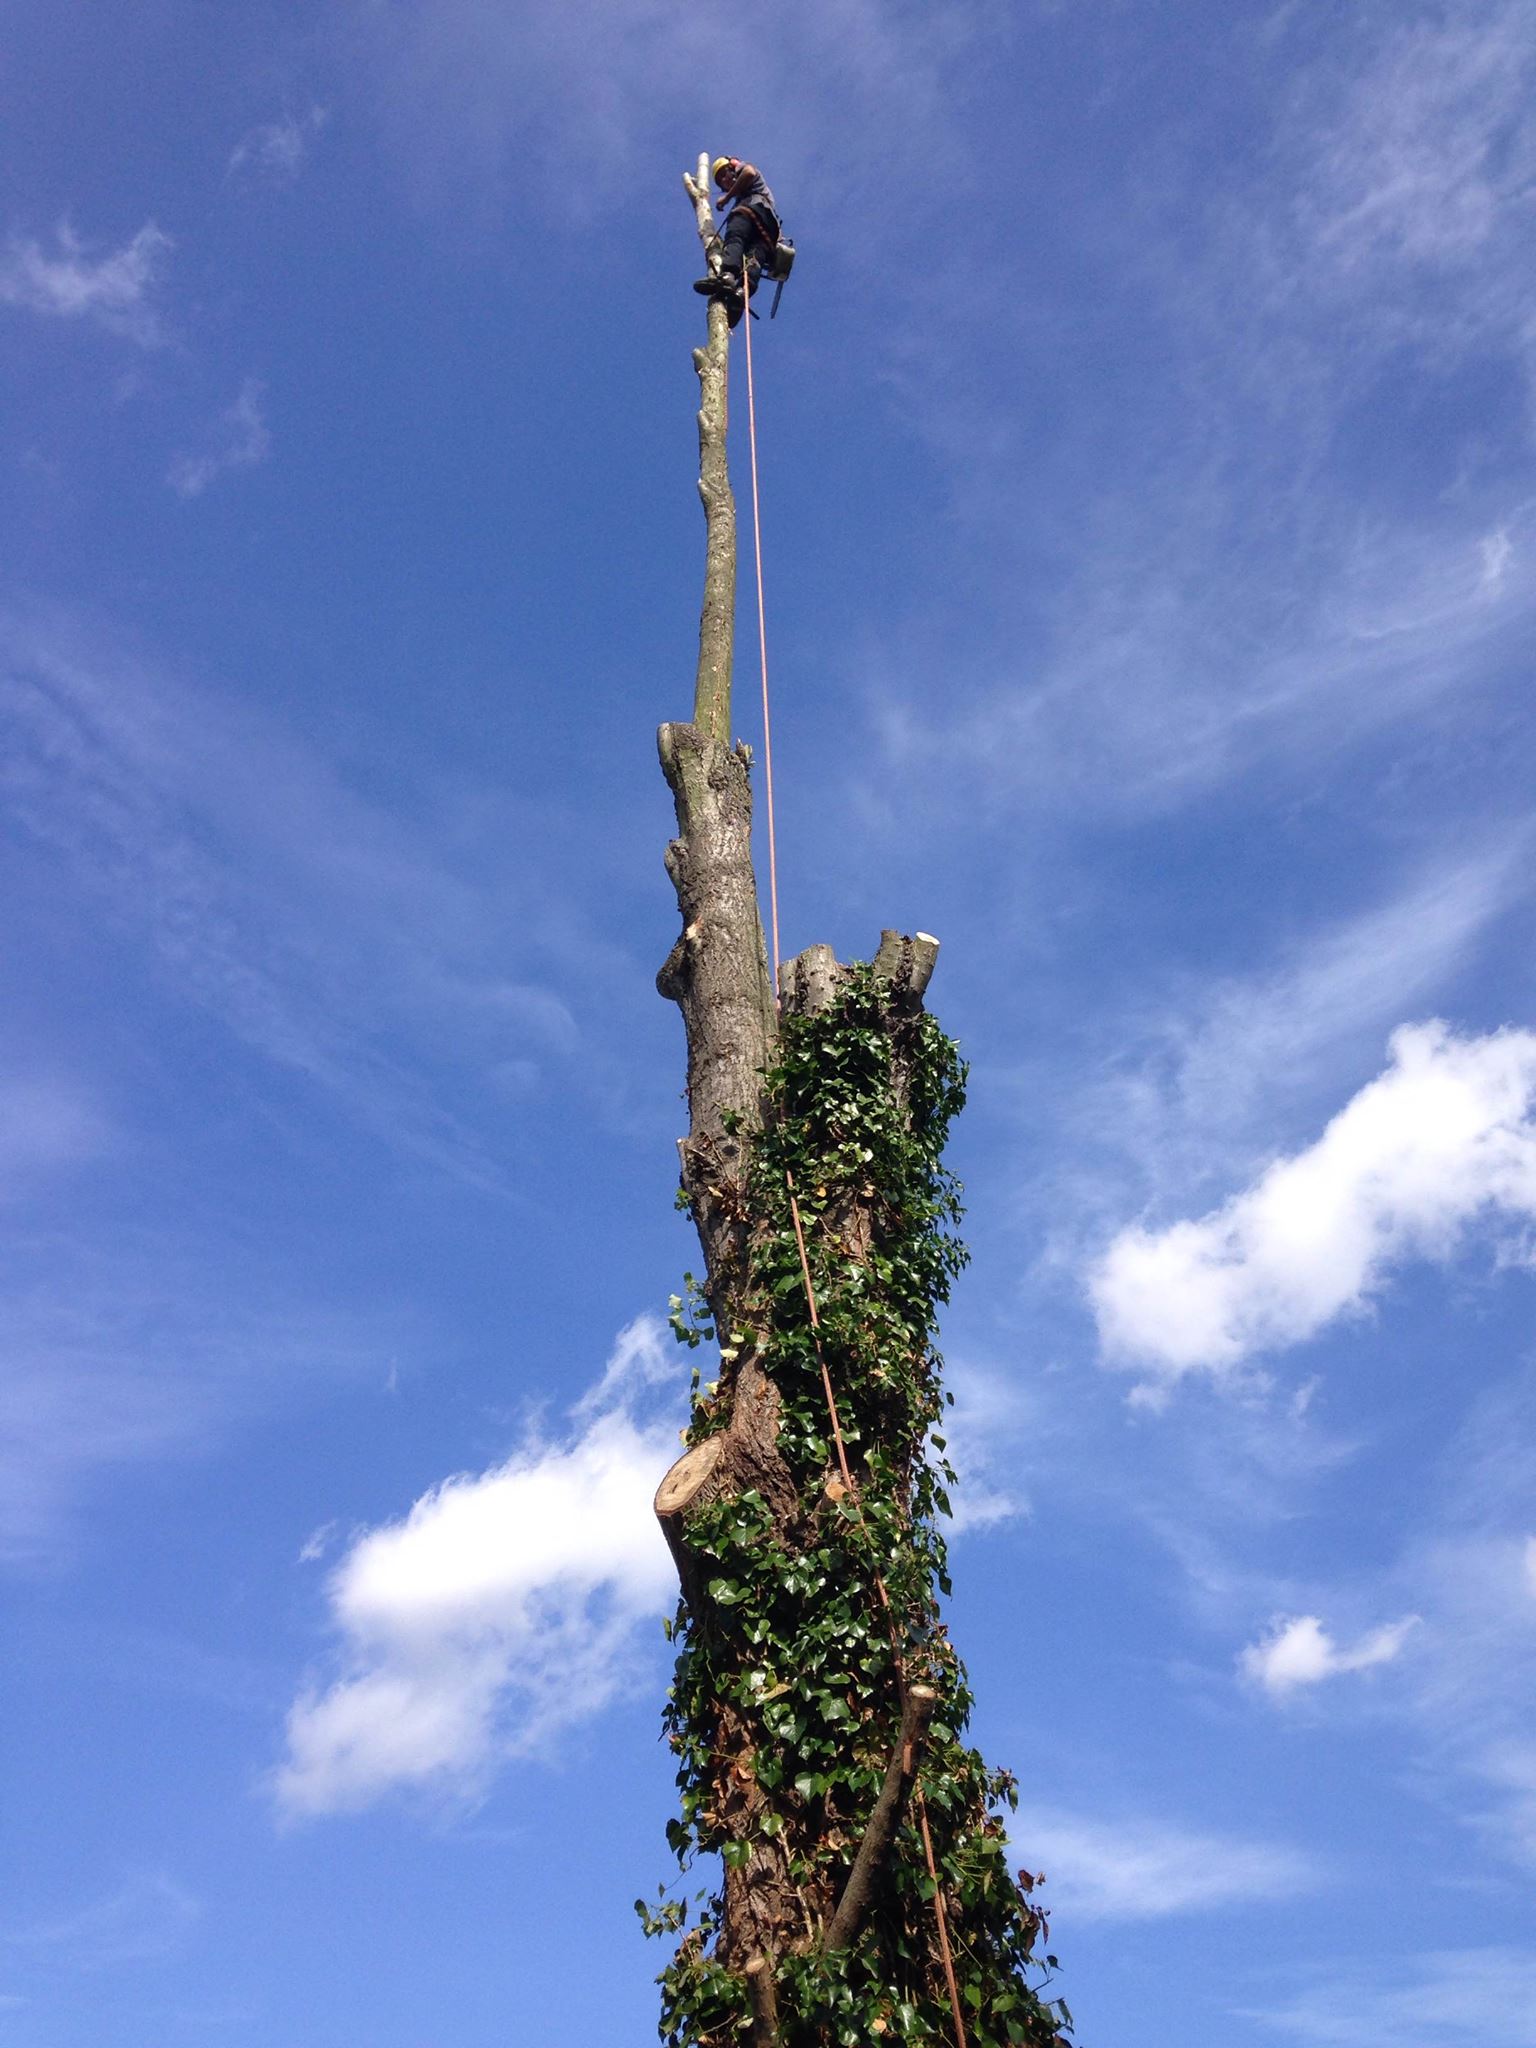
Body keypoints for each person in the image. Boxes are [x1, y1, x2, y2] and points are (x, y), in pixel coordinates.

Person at [694, 157, 783, 325]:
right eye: (720, 180)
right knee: (754, 257)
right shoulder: (746, 194)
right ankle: (742, 291)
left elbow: (748, 172)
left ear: (731, 167)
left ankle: (727, 275)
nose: (724, 180)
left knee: (735, 237)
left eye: (724, 174)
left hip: (753, 211)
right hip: (768, 230)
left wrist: (727, 199)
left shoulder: (744, 170)